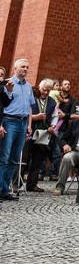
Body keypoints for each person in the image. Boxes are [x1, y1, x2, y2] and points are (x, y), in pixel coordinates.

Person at [0, 58, 35, 201]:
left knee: (14, 159)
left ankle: (4, 190)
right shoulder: (7, 83)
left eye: (27, 67)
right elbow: (1, 105)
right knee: (4, 157)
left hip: (22, 123)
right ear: (15, 68)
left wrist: (29, 124)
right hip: (9, 121)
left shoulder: (28, 87)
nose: (25, 69)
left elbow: (30, 107)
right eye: (23, 66)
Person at [24, 78, 58, 192]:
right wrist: (35, 117)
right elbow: (24, 112)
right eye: (44, 90)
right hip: (29, 130)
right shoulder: (31, 97)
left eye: (49, 90)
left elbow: (55, 116)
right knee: (24, 157)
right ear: (39, 87)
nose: (46, 93)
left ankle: (32, 184)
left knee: (38, 159)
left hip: (43, 133)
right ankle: (16, 183)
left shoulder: (52, 102)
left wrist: (52, 127)